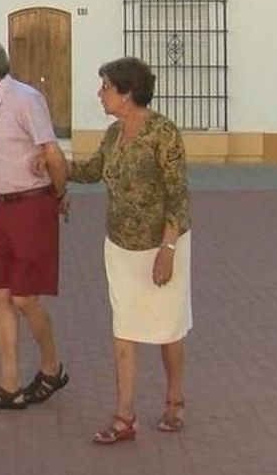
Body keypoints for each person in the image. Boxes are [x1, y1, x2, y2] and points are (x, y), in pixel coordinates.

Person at [69, 57, 191, 444]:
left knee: (167, 326)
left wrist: (168, 248)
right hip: (120, 246)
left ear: (127, 92)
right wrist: (55, 165)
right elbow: (91, 172)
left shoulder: (163, 133)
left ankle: (174, 399)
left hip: (162, 244)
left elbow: (178, 195)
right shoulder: (112, 134)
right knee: (125, 326)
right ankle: (125, 416)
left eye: (105, 87)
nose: (100, 94)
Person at [0, 40, 70, 411]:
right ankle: (9, 384)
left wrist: (60, 192)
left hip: (30, 204)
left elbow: (51, 151)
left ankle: (52, 367)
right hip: (1, 205)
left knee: (24, 297)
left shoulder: (25, 99)